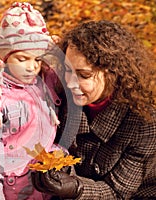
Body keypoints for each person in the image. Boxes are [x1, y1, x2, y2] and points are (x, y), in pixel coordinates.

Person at [31, 20, 156, 199]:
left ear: (113, 74)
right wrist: (58, 167)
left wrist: (76, 188)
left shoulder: (144, 124)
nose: (70, 82)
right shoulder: (64, 96)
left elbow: (117, 192)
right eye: (67, 70)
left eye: (84, 75)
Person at [0, 2, 65, 200]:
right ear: (5, 58)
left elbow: (72, 70)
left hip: (50, 185)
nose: (31, 67)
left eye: (37, 59)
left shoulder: (46, 83)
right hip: (15, 191)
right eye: (22, 59)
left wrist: (60, 47)